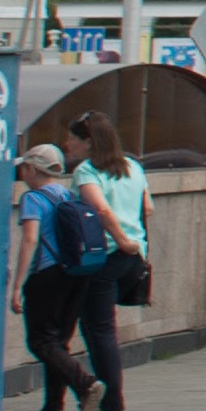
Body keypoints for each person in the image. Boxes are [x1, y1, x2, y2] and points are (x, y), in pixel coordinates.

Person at [8, 143, 112, 411]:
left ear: (32, 169)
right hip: (77, 273)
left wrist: (17, 286)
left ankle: (86, 384)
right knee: (58, 343)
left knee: (41, 341)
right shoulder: (68, 195)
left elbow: (31, 240)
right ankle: (53, 410)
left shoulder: (33, 198)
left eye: (24, 167)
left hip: (47, 275)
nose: (22, 172)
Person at [71, 109, 153, 318]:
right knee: (101, 321)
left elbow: (100, 209)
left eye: (73, 139)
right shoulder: (132, 166)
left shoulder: (87, 171)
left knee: (98, 324)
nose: (68, 144)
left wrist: (121, 240)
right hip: (135, 255)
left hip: (105, 252)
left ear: (88, 142)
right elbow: (148, 208)